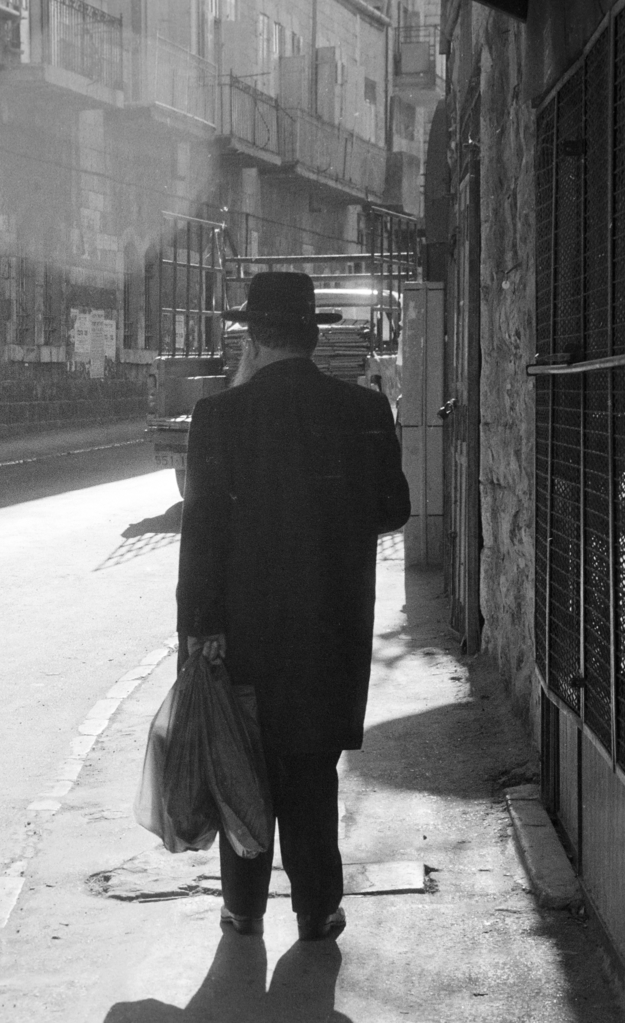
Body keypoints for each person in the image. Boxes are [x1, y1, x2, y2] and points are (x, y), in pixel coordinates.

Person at [176, 271, 410, 943]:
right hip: (330, 628)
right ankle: (316, 908)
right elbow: (394, 509)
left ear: (253, 338)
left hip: (241, 632)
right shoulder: (364, 410)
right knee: (311, 769)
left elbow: (202, 537)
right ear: (313, 336)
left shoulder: (220, 416)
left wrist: (199, 628)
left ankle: (243, 908)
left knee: (242, 765)